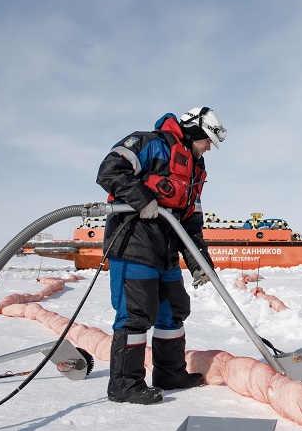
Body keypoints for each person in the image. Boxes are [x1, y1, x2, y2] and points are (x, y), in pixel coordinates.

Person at [96, 107, 226, 404]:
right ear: (194, 130)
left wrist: (198, 263)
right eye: (207, 140)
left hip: (166, 250)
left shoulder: (196, 169)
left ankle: (170, 373)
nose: (208, 147)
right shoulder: (148, 143)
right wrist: (141, 199)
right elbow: (109, 170)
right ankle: (125, 385)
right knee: (136, 315)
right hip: (134, 244)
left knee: (173, 312)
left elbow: (191, 221)